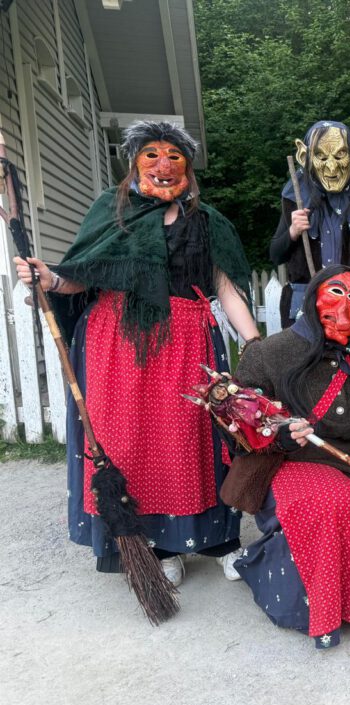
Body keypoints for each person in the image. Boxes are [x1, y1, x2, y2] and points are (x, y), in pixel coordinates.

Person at [14, 121, 259, 585]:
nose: (163, 165)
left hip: (187, 343)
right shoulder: (113, 209)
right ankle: (156, 545)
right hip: (119, 344)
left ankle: (218, 541)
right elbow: (84, 274)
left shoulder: (207, 221)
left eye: (174, 156)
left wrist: (255, 344)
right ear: (134, 162)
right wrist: (51, 279)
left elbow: (226, 288)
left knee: (196, 442)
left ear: (188, 166)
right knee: (133, 446)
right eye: (152, 155)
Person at [226, 266, 350, 648]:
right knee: (327, 506)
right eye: (335, 292)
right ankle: (314, 610)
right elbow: (238, 423)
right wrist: (277, 435)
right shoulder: (270, 354)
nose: (344, 305)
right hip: (284, 463)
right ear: (313, 298)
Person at [270, 120, 350, 324]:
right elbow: (275, 255)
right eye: (321, 157)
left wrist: (345, 296)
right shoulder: (296, 200)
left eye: (340, 155)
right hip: (304, 313)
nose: (331, 167)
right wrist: (293, 232)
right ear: (304, 157)